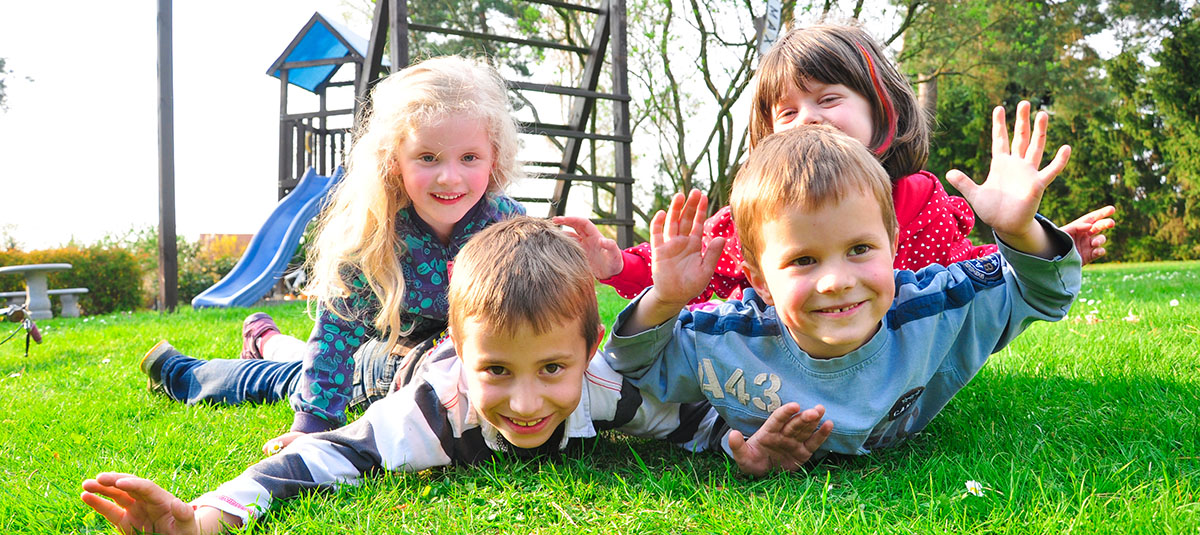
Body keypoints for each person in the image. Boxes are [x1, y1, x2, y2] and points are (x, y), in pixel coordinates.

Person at [83, 217, 833, 534]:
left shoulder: (605, 390)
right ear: (468, 351)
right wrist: (206, 516)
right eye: (498, 371)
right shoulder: (430, 415)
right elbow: (312, 457)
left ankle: (269, 341)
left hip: (440, 350)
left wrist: (745, 449)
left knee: (293, 364)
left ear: (589, 348)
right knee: (305, 375)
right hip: (399, 367)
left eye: (553, 368)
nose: (529, 399)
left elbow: (685, 421)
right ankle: (205, 367)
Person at [602, 108, 1082, 456]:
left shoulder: (937, 308)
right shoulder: (730, 338)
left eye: (859, 249)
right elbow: (633, 363)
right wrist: (664, 299)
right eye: (804, 260)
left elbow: (1042, 291)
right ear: (760, 280)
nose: (836, 281)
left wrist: (1020, 231)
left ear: (893, 243)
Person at [556, 23, 1112, 305]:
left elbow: (973, 278)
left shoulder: (916, 199)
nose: (807, 120)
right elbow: (705, 276)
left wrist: (1034, 241)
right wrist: (614, 264)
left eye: (828, 99)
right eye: (787, 111)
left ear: (882, 110)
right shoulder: (762, 214)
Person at [139, 55, 527, 452]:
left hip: (450, 362)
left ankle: (264, 337)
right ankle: (183, 372)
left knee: (294, 362)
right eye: (428, 157)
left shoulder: (509, 226)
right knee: (288, 378)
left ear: (493, 156)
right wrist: (313, 425)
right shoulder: (373, 236)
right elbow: (336, 336)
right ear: (395, 161)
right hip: (376, 360)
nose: (449, 176)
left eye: (469, 158)